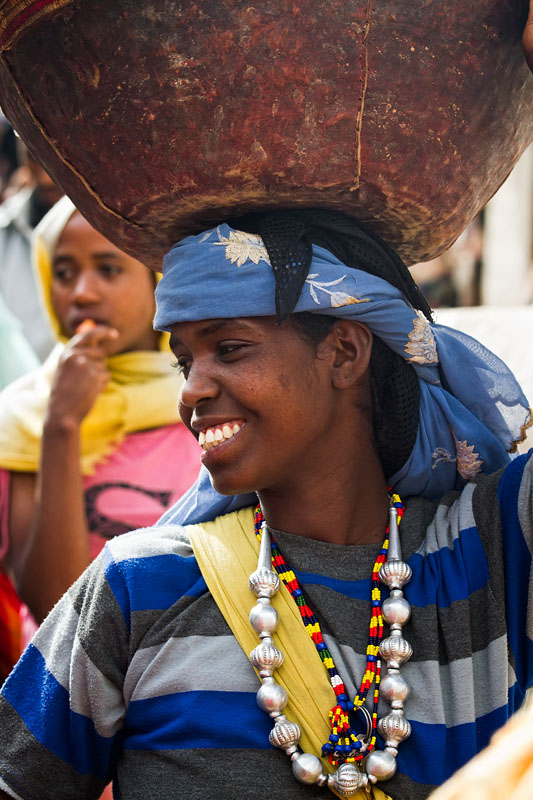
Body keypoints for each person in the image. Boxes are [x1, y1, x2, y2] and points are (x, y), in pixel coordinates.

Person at [0, 209, 530, 800]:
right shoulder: (139, 585)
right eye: (184, 360)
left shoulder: (489, 548)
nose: (191, 389)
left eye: (229, 348)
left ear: (344, 354)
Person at [0, 196, 201, 650]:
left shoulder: (204, 404)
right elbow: (55, 605)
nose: (81, 293)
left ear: (159, 284)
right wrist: (61, 425)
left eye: (108, 269)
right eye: (64, 272)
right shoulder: (24, 418)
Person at [0, 140, 62, 362]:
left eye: (56, 158)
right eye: (34, 157)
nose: (45, 178)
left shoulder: (120, 232)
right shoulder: (4, 229)